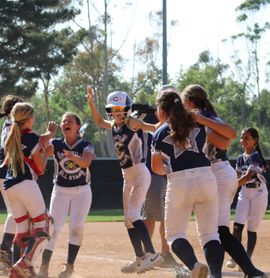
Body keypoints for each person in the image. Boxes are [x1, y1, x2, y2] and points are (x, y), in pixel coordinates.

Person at [181, 84, 267, 277]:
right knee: (218, 229)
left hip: (218, 174)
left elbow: (230, 135)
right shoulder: (198, 116)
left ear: (188, 101)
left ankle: (226, 273)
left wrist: (202, 120)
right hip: (217, 175)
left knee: (214, 230)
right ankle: (249, 271)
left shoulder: (201, 115)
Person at [151, 91, 231, 278]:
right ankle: (215, 275)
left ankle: (194, 265)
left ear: (162, 109)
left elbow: (156, 168)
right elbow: (226, 140)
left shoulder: (160, 132)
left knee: (174, 235)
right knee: (210, 235)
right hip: (206, 178)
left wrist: (170, 169)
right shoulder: (199, 123)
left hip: (179, 182)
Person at [87, 86, 163, 274]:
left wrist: (168, 121)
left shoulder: (132, 123)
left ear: (127, 109)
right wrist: (90, 102)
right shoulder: (114, 125)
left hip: (139, 172)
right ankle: (139, 258)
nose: (116, 112)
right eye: (113, 109)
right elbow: (98, 120)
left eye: (119, 109)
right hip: (126, 175)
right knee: (128, 221)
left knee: (133, 215)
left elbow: (153, 128)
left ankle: (152, 254)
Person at [37, 112, 95, 278]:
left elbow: (86, 162)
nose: (65, 123)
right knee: (53, 228)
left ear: (77, 127)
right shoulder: (55, 143)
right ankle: (44, 267)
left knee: (76, 228)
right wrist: (46, 153)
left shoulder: (86, 144)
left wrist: (72, 157)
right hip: (60, 190)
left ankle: (69, 267)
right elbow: (41, 162)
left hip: (82, 191)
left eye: (70, 121)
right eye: (63, 121)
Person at [3, 102, 55, 278]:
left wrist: (47, 136)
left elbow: (36, 140)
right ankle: (24, 263)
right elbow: (40, 169)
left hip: (10, 186)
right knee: (45, 226)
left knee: (23, 231)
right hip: (26, 184)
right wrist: (47, 154)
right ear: (29, 119)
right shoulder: (31, 137)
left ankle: (22, 271)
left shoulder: (12, 136)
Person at [137, 85, 181, 268]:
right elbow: (155, 126)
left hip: (171, 173)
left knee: (166, 216)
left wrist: (141, 124)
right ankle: (147, 254)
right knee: (150, 216)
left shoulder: (179, 119)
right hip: (155, 172)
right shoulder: (151, 114)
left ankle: (165, 253)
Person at [226, 127, 268, 271]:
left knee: (252, 228)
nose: (243, 141)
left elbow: (248, 176)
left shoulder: (256, 157)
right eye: (242, 138)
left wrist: (232, 186)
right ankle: (235, 256)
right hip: (245, 193)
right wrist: (231, 187)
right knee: (237, 225)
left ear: (255, 141)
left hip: (259, 194)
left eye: (247, 138)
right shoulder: (239, 157)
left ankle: (247, 258)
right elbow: (237, 176)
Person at [0, 95, 23, 270]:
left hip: (5, 170)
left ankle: (6, 251)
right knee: (14, 212)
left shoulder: (9, 124)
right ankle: (4, 249)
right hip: (5, 171)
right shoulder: (11, 126)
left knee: (14, 212)